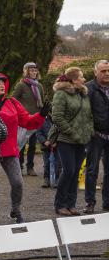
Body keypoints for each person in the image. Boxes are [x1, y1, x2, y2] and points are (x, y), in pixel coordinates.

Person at [0, 73, 45, 224]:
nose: (1, 85)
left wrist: (41, 115)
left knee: (17, 183)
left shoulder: (12, 102)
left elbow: (27, 121)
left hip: (9, 149)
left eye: (3, 83)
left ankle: (15, 211)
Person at [51, 67, 93, 216]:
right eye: (81, 77)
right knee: (68, 171)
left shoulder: (83, 94)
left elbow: (88, 116)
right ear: (74, 80)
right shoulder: (61, 94)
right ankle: (60, 204)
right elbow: (56, 117)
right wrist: (70, 132)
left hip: (82, 140)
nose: (84, 79)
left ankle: (71, 204)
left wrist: (89, 132)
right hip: (66, 139)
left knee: (75, 173)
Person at [84, 59, 109, 214]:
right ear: (95, 72)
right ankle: (90, 202)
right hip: (95, 135)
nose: (107, 74)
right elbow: (84, 113)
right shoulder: (88, 89)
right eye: (103, 71)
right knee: (92, 170)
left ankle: (107, 202)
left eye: (108, 71)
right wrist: (90, 131)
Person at [12, 62, 45, 176]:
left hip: (36, 119)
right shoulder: (21, 85)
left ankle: (30, 167)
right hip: (23, 120)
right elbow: (13, 100)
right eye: (31, 70)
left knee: (32, 145)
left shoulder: (39, 86)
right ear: (26, 71)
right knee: (21, 144)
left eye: (35, 70)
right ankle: (19, 166)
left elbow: (42, 102)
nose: (34, 72)